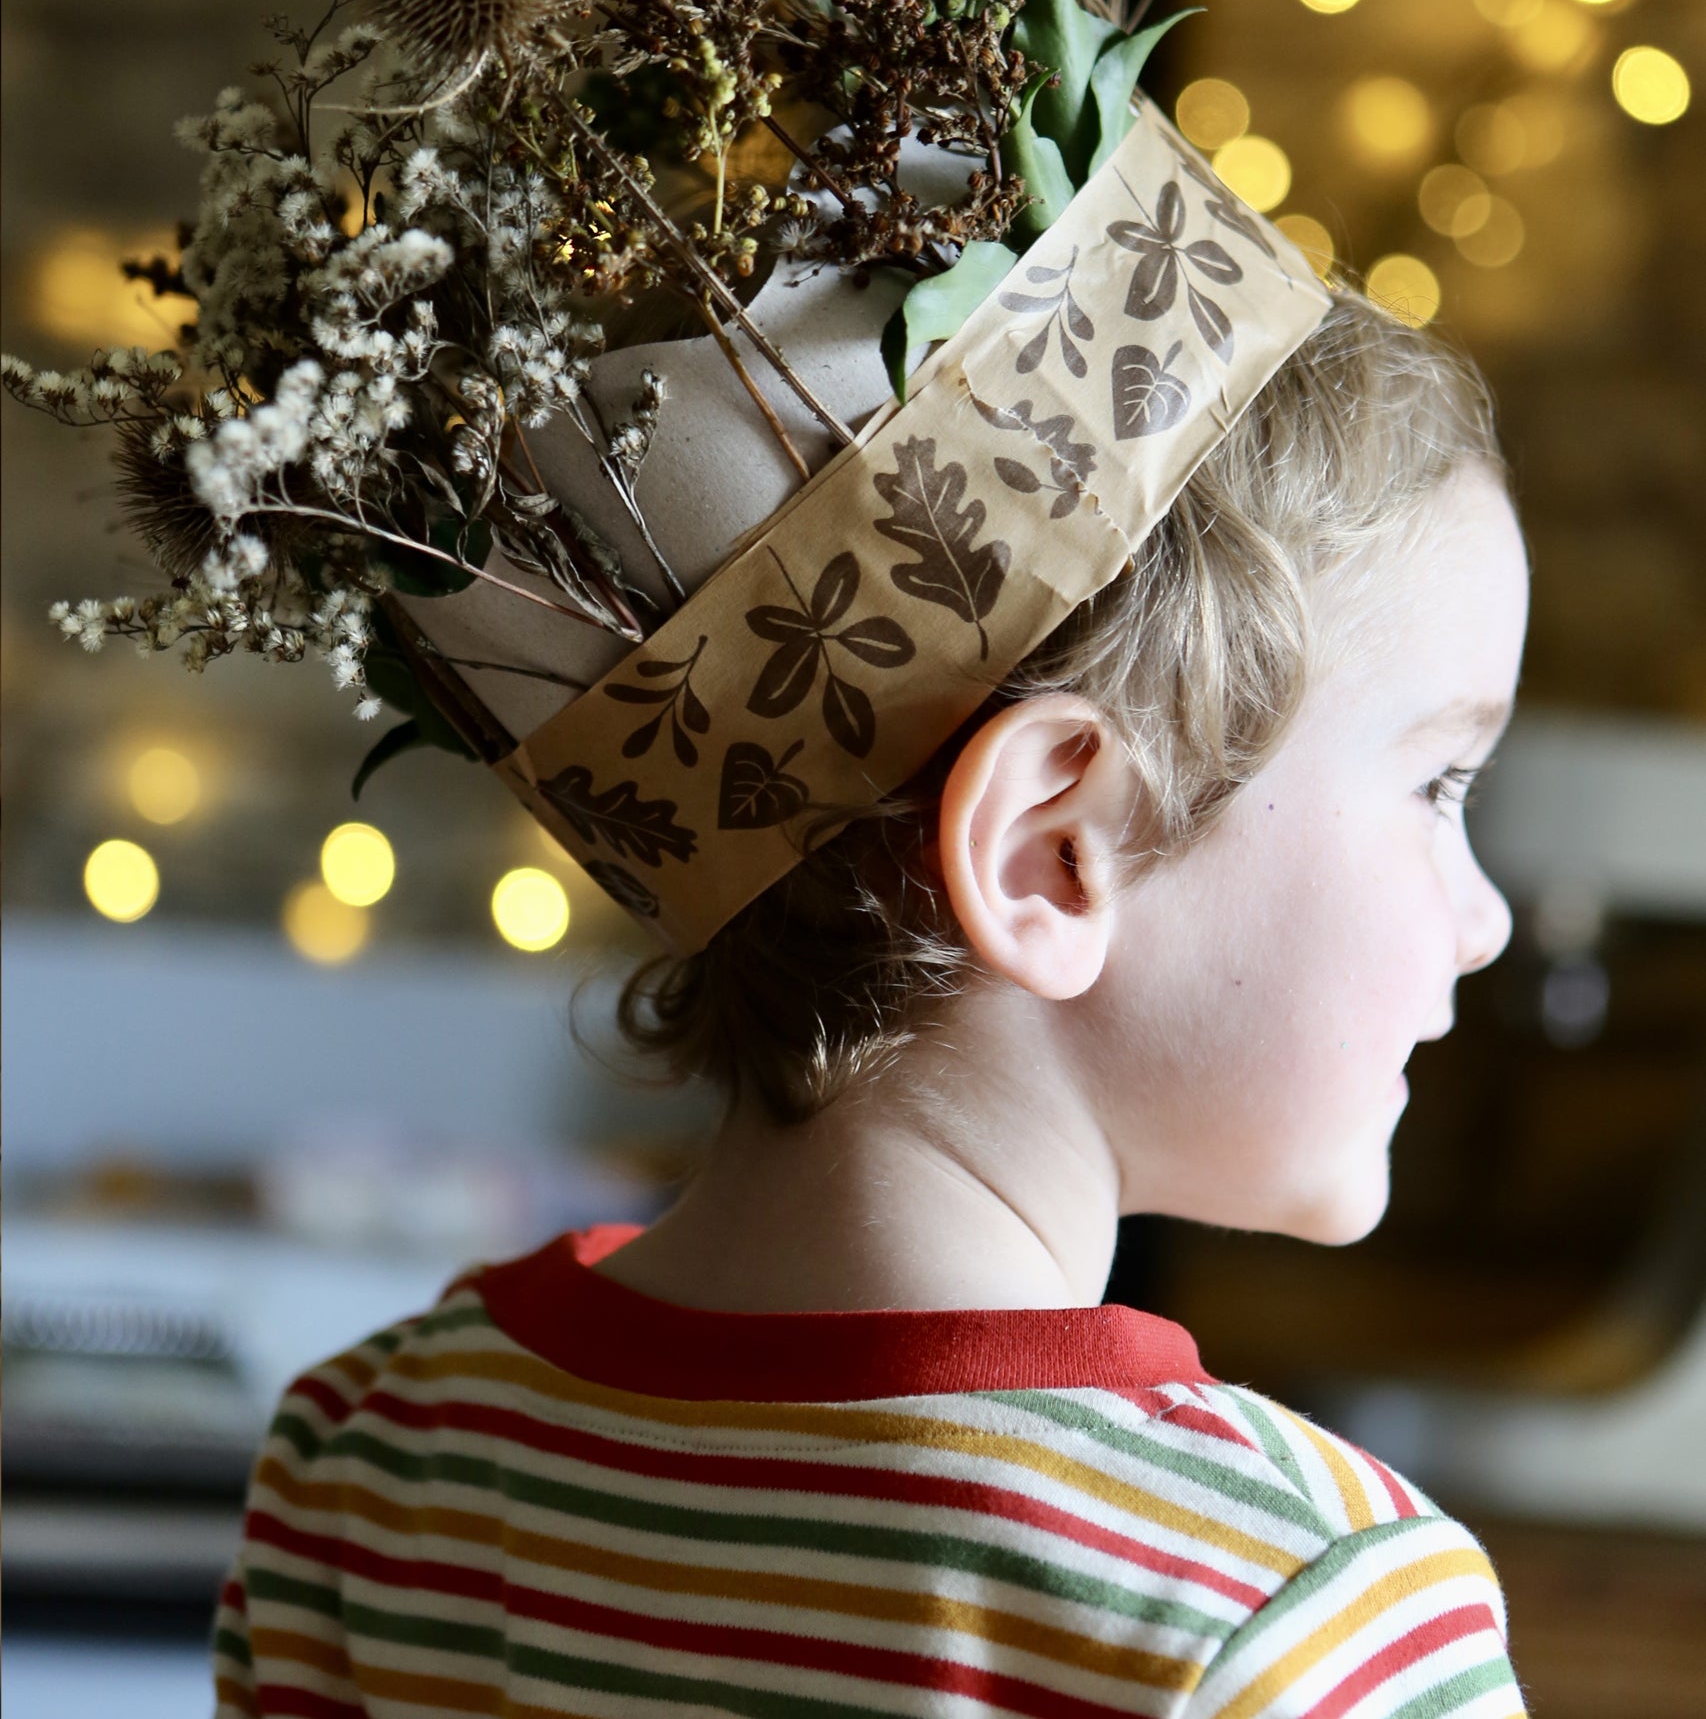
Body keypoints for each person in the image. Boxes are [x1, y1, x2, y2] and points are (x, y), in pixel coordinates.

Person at [212, 287, 1534, 1717]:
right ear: (1051, 849)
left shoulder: (377, 1458)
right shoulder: (1293, 1615)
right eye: (1437, 787)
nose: (1486, 920)